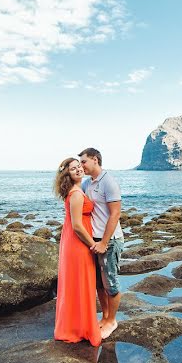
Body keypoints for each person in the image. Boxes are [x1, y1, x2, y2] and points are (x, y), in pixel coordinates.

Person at [52, 157, 102, 347]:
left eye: (79, 166)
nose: (79, 169)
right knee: (81, 284)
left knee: (77, 284)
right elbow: (78, 226)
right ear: (68, 174)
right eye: (73, 169)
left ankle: (78, 325)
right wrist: (93, 245)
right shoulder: (76, 194)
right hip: (78, 244)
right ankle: (78, 328)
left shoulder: (76, 191)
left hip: (73, 243)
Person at [78, 147, 124, 340]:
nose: (81, 166)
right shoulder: (87, 183)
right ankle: (105, 318)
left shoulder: (109, 182)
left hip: (110, 241)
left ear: (95, 160)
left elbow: (115, 214)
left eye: (84, 162)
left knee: (110, 283)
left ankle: (112, 321)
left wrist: (104, 242)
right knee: (99, 283)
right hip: (94, 241)